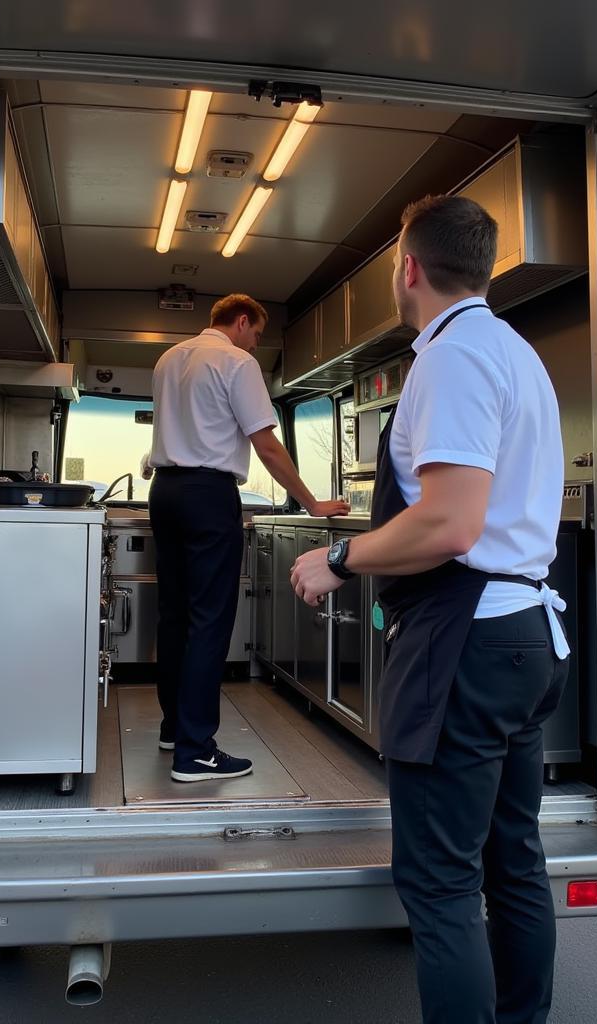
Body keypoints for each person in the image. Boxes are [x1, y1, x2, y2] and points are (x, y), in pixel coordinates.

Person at [289, 196, 570, 1023]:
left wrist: (338, 558)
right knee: (514, 862)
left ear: (409, 267)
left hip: (465, 645)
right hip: (524, 638)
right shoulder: (515, 352)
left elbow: (450, 522)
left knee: (441, 885)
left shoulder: (450, 360)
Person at [149, 294, 349, 783]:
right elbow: (266, 445)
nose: (256, 344)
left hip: (165, 491)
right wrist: (311, 502)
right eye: (257, 334)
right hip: (208, 494)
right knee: (209, 620)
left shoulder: (167, 360)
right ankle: (195, 751)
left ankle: (176, 728)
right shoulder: (236, 362)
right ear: (242, 322)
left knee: (174, 615)